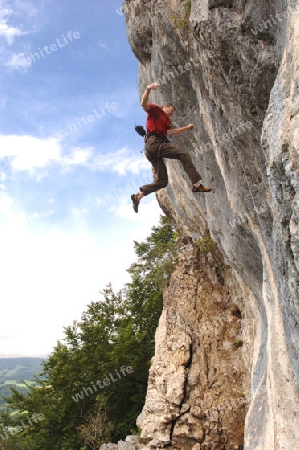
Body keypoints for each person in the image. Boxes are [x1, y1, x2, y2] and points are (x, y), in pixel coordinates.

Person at [131, 82, 211, 213]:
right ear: (165, 107)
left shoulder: (166, 121)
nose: (171, 114)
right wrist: (148, 89)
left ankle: (138, 196)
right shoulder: (157, 111)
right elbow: (143, 104)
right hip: (154, 144)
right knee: (183, 155)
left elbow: (171, 132)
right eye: (171, 111)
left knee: (162, 181)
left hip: (152, 151)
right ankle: (197, 185)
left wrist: (186, 128)